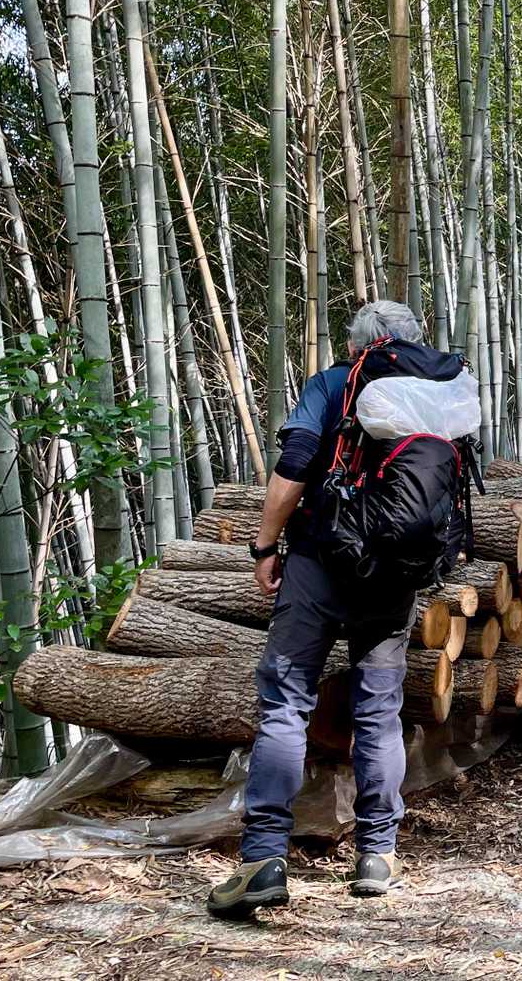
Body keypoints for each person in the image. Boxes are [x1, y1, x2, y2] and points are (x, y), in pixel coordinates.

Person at [207, 300, 428, 919]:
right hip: (393, 577)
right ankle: (377, 854)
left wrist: (264, 546)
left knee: (286, 701)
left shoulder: (333, 384)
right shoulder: (435, 394)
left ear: (355, 345)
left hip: (318, 564)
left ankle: (263, 859)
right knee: (378, 709)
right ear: (413, 343)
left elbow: (293, 469)